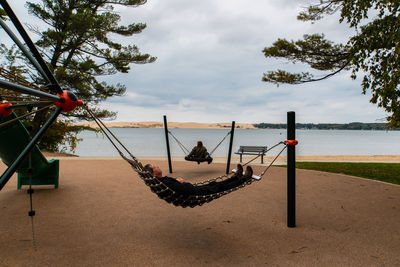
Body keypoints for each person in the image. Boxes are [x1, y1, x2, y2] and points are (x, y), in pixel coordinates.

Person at [144, 163, 253, 197]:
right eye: (155, 167)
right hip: (195, 193)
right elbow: (182, 189)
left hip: (194, 189)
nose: (157, 166)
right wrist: (182, 182)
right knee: (219, 187)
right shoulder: (165, 183)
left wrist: (179, 182)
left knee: (215, 184)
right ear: (153, 174)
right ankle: (244, 179)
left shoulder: (162, 180)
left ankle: (235, 177)